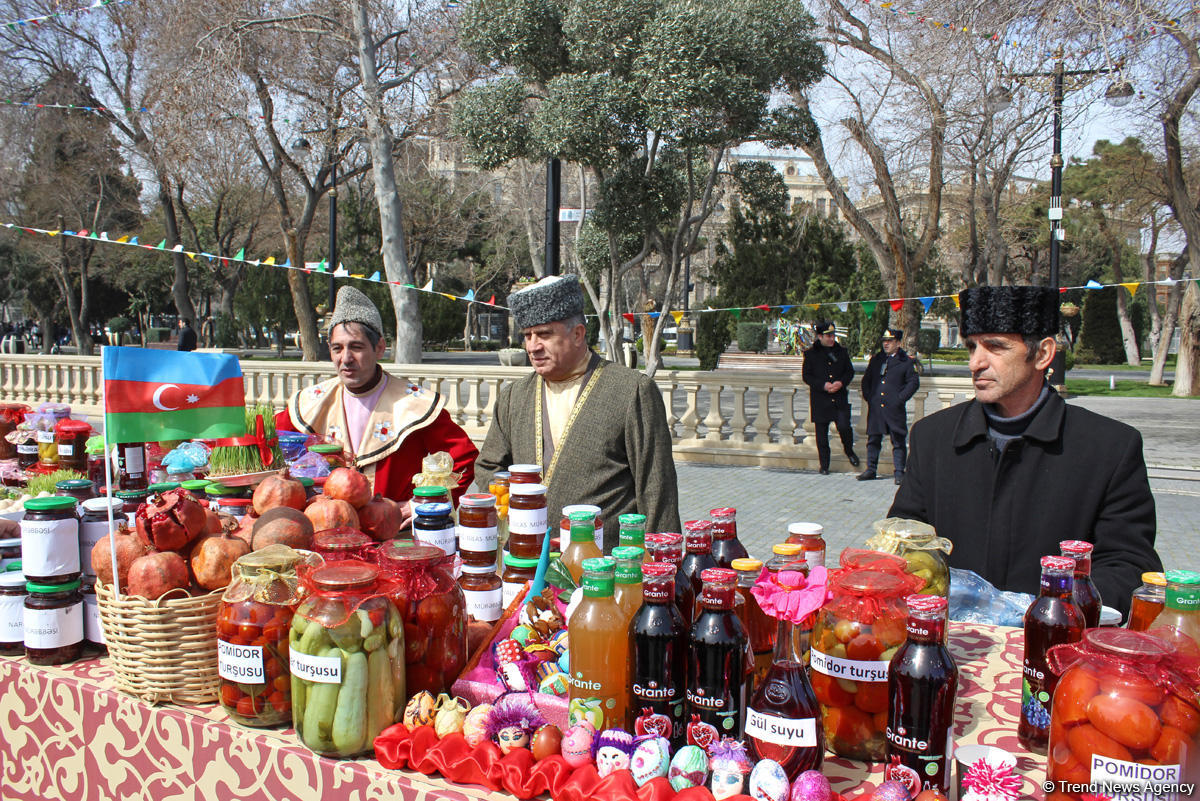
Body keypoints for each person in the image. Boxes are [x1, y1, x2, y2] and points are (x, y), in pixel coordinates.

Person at [889, 285, 1161, 615]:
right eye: (972, 346)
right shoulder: (933, 437)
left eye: (995, 347)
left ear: (1043, 354)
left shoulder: (1110, 447)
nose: (976, 362)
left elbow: (1127, 565)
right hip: (952, 646)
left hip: (1056, 651)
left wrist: (1051, 612)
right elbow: (903, 538)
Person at [474, 274, 680, 546]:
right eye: (527, 335)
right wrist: (518, 501)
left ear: (578, 334)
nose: (533, 346)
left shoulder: (631, 391)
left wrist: (661, 572)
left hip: (605, 572)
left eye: (545, 334)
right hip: (526, 564)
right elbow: (488, 467)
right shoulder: (514, 397)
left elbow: (657, 490)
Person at [276, 286, 478, 525]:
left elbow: (464, 459)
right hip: (326, 535)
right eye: (337, 348)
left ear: (379, 347)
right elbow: (266, 444)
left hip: (397, 537)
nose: (346, 358)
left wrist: (424, 504)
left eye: (357, 347)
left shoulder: (414, 404)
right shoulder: (311, 402)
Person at [857, 328, 919, 485]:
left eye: (889, 341)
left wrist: (900, 399)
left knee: (897, 440)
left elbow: (913, 383)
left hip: (894, 409)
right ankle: (871, 469)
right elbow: (867, 380)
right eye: (884, 341)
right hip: (877, 408)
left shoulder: (906, 362)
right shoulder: (877, 360)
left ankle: (899, 472)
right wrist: (870, 397)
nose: (886, 344)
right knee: (873, 439)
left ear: (898, 343)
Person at [801, 321, 859, 474]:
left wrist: (841, 382)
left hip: (839, 397)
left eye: (833, 335)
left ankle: (849, 451)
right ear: (820, 336)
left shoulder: (842, 352)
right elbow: (807, 376)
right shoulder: (811, 354)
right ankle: (824, 465)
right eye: (828, 336)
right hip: (821, 399)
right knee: (821, 435)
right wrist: (823, 385)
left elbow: (849, 372)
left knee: (844, 427)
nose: (831, 338)